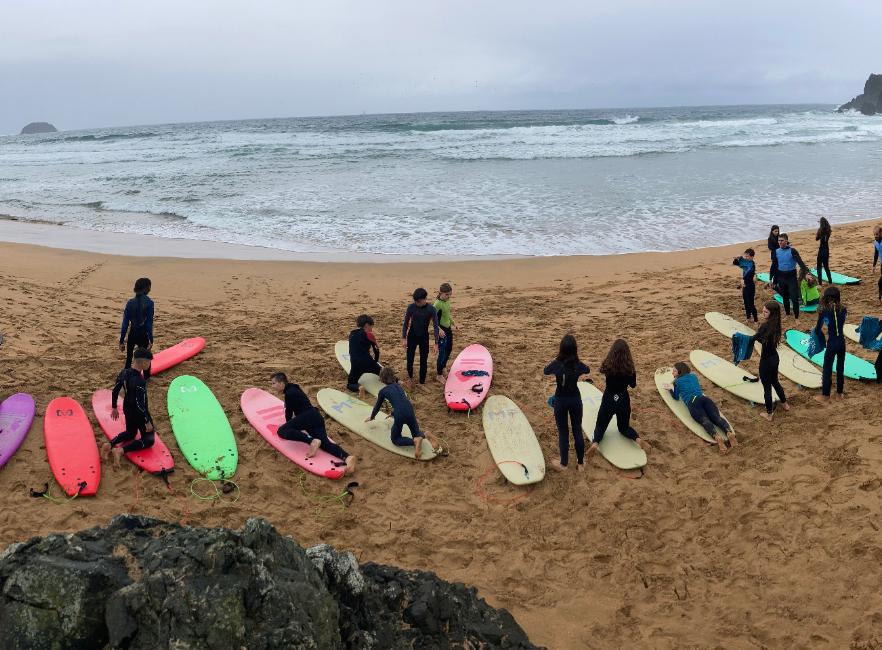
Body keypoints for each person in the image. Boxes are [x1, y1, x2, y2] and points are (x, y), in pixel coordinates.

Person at [271, 372, 356, 476]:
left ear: (281, 383)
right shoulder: (294, 387)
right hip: (315, 417)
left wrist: (287, 426)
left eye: (273, 383)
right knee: (324, 443)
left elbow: (288, 412)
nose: (272, 387)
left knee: (282, 431)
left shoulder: (289, 393)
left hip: (307, 417)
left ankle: (311, 441)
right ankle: (348, 458)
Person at [586, 339, 651, 460]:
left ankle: (595, 444)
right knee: (624, 428)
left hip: (609, 399)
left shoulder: (607, 365)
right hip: (623, 400)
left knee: (600, 427)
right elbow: (632, 385)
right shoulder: (629, 368)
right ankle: (637, 439)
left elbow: (603, 372)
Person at [366, 367, 441, 459]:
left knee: (395, 439)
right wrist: (393, 413)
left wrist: (372, 417)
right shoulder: (399, 386)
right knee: (416, 432)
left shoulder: (382, 391)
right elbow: (401, 402)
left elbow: (377, 407)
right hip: (410, 410)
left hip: (400, 414)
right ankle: (425, 434)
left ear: (382, 379)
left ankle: (414, 441)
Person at [663, 362, 737, 454]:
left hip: (693, 403)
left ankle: (717, 437)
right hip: (704, 399)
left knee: (705, 421)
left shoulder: (677, 382)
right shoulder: (694, 376)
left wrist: (670, 389)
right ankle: (729, 433)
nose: (672, 373)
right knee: (716, 418)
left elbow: (676, 397)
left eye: (674, 371)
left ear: (680, 372)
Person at [101, 347, 155, 469]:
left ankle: (109, 445)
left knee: (131, 432)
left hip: (127, 408)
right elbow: (140, 404)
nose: (149, 365)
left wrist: (114, 407)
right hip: (138, 413)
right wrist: (146, 421)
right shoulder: (140, 381)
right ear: (143, 363)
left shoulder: (123, 373)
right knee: (149, 441)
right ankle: (120, 451)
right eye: (149, 362)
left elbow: (115, 391)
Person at [543, 335, 591, 472]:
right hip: (575, 400)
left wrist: (558, 361)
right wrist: (576, 363)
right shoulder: (578, 365)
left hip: (560, 401)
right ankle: (581, 464)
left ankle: (564, 464)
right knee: (577, 431)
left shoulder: (557, 364)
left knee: (563, 432)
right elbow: (587, 370)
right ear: (575, 349)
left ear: (561, 349)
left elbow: (546, 371)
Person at [747, 301, 790, 421]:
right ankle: (785, 404)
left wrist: (741, 337)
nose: (763, 314)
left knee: (767, 388)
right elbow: (766, 342)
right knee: (775, 382)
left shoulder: (764, 326)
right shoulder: (776, 325)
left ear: (772, 314)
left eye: (766, 312)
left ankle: (769, 414)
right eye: (763, 311)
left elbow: (753, 339)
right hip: (775, 358)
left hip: (766, 361)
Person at [401, 288, 440, 393]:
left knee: (424, 361)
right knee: (410, 360)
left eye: (419, 301)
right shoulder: (411, 307)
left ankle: (421, 384)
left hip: (424, 337)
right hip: (412, 336)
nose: (417, 303)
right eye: (416, 301)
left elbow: (435, 327)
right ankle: (410, 378)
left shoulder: (431, 309)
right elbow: (406, 323)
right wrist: (403, 338)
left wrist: (436, 344)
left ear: (425, 298)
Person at [813, 287, 847, 406]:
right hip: (842, 342)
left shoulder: (824, 312)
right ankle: (839, 394)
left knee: (827, 369)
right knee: (840, 368)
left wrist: (815, 332)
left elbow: (817, 329)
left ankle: (825, 397)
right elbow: (839, 323)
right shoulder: (844, 310)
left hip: (832, 343)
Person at [769, 233, 811, 325]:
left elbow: (800, 262)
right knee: (785, 297)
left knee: (794, 298)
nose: (780, 242)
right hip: (781, 277)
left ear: (786, 241)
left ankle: (796, 318)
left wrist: (806, 273)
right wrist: (770, 279)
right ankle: (787, 314)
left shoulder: (792, 251)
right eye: (779, 240)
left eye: (782, 241)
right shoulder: (776, 251)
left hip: (791, 277)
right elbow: (773, 266)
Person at [119, 278, 154, 382]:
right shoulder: (149, 303)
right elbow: (149, 323)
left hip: (132, 334)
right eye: (149, 287)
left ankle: (125, 379)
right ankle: (147, 378)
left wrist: (121, 340)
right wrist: (151, 340)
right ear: (146, 288)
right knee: (146, 357)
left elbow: (125, 323)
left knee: (129, 358)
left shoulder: (130, 303)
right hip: (143, 335)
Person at [347, 315, 381, 397]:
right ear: (366, 325)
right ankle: (400, 382)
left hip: (355, 364)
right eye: (371, 327)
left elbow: (351, 350)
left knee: (350, 384)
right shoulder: (369, 334)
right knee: (385, 375)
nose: (371, 329)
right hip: (368, 361)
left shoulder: (351, 334)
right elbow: (376, 350)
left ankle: (359, 388)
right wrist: (375, 363)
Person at [433, 282, 459, 384]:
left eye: (450, 294)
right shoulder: (437, 304)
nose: (448, 297)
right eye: (446, 294)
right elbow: (431, 319)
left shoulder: (448, 301)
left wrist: (453, 323)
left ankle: (444, 367)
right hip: (441, 330)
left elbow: (447, 314)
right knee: (442, 352)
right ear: (440, 293)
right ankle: (439, 375)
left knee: (449, 349)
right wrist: (439, 329)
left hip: (447, 328)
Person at [732, 248, 758, 323]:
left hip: (750, 286)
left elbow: (748, 273)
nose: (746, 258)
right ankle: (748, 318)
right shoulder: (745, 263)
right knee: (746, 303)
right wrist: (736, 259)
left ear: (752, 257)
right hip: (745, 286)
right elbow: (735, 263)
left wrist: (743, 279)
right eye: (745, 256)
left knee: (751, 304)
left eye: (748, 256)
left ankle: (756, 320)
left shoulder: (751, 265)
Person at [816, 217, 832, 286]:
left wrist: (819, 227)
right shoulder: (828, 230)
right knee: (826, 267)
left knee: (819, 267)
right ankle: (830, 281)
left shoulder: (820, 231)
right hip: (826, 249)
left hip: (821, 250)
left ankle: (820, 283)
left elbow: (817, 238)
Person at [871, 226, 882, 306]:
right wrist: (874, 265)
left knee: (880, 282)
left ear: (881, 233)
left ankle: (880, 299)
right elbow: (876, 254)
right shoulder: (876, 243)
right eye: (874, 234)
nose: (875, 236)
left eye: (877, 234)